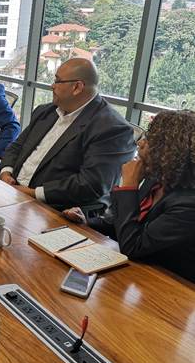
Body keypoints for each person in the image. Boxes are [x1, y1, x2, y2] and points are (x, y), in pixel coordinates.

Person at [63, 110, 195, 283]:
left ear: (170, 150)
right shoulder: (158, 179)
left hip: (169, 286)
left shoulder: (188, 204)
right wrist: (87, 221)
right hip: (139, 272)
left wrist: (129, 186)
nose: (140, 143)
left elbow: (133, 246)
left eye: (151, 140)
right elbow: (124, 223)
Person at [0, 58, 135, 211]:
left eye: (57, 81)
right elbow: (17, 146)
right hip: (12, 192)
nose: (52, 86)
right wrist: (6, 172)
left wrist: (33, 193)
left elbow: (91, 184)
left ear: (77, 87)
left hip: (55, 208)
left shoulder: (112, 129)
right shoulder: (46, 111)